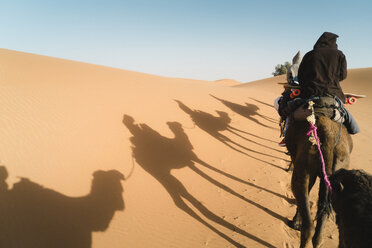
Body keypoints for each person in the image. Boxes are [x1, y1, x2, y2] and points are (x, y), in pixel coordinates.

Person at [298, 32, 360, 134]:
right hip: (334, 94)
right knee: (346, 116)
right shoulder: (340, 54)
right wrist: (331, 80)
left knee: (291, 114)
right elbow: (343, 76)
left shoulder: (309, 55)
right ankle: (354, 130)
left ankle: (285, 136)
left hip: (310, 94)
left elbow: (301, 77)